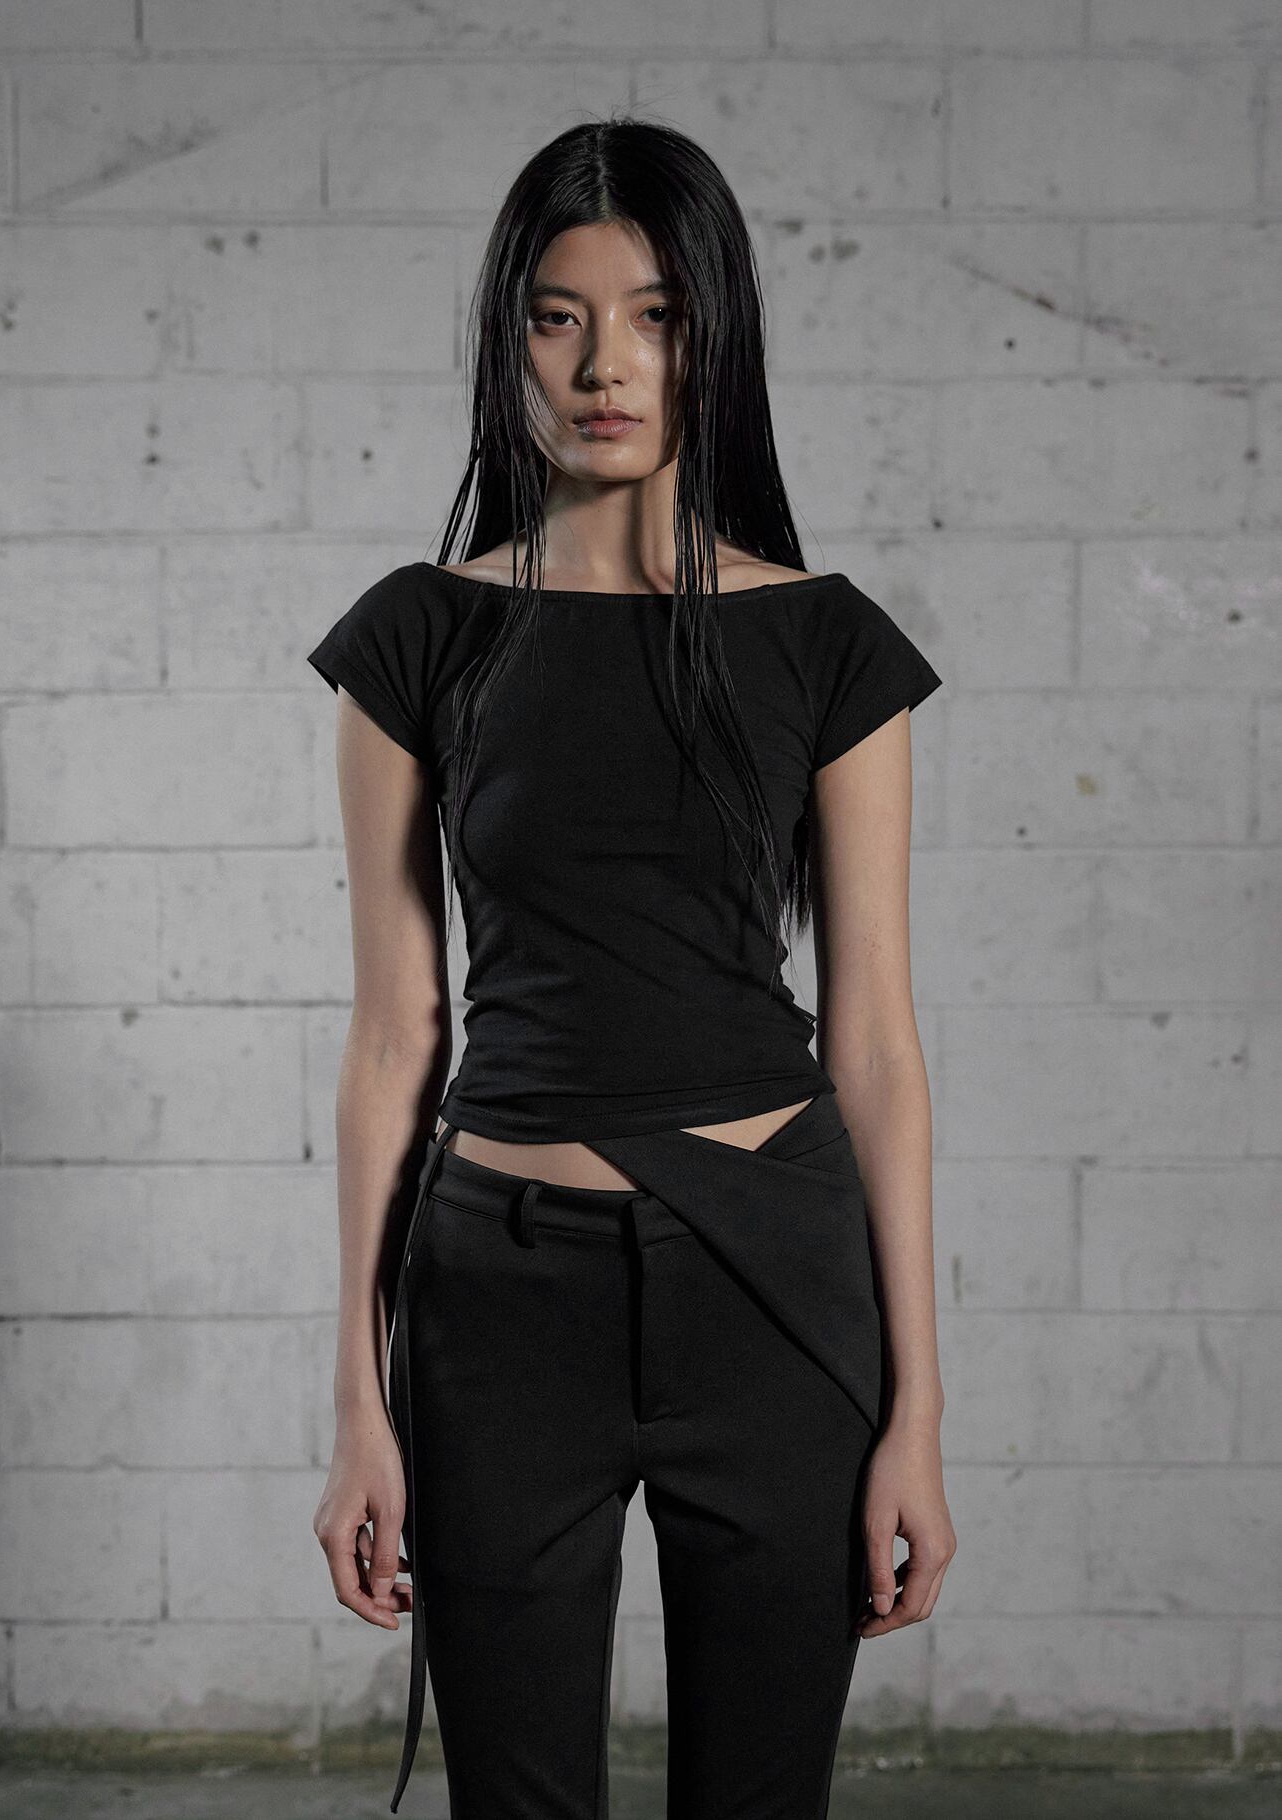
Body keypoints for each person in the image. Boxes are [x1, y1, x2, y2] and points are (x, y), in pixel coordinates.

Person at [307, 114, 956, 1820]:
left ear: (712, 337)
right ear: (508, 341)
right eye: (559, 317)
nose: (606, 366)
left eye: (655, 316)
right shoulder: (418, 638)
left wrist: (919, 1415)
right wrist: (359, 1402)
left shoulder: (827, 644)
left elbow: (877, 1048)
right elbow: (392, 1040)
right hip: (497, 1307)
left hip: (773, 1293)